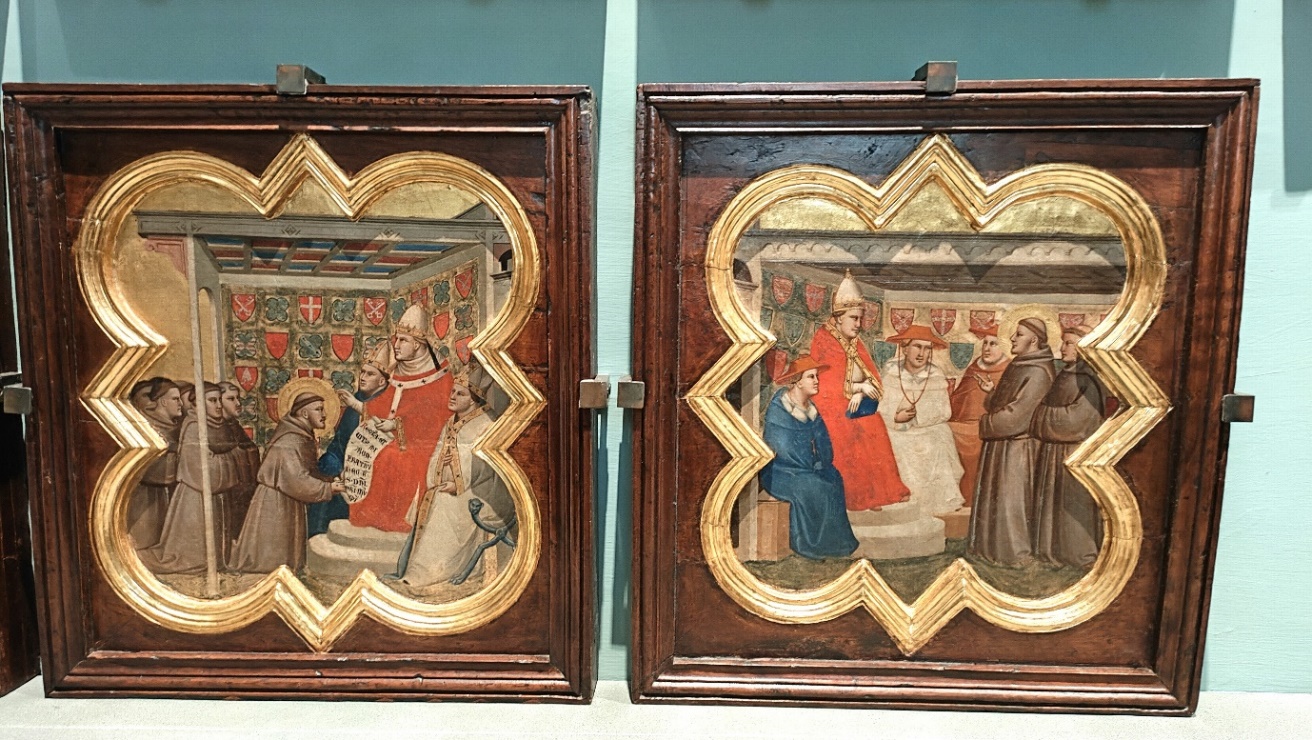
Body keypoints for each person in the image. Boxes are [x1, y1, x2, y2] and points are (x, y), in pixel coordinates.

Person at [398, 369, 515, 590]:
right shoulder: (451, 422)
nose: (452, 397)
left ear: (473, 400)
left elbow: (489, 466)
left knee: (444, 504)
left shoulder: (487, 423)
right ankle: (420, 569)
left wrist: (458, 481)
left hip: (485, 491)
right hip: (459, 486)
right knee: (433, 495)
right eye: (452, 392)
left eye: (460, 394)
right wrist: (440, 471)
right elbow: (437, 452)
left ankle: (429, 573)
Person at [807, 271, 910, 511]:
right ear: (838, 318)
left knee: (874, 424)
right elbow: (826, 383)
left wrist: (861, 392)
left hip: (851, 404)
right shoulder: (824, 340)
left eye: (860, 319)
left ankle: (876, 493)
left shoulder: (854, 341)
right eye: (854, 318)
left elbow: (872, 378)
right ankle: (857, 496)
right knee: (851, 431)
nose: (858, 324)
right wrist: (858, 387)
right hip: (829, 408)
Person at [349, 303, 453, 533]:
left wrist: (396, 425)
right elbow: (385, 403)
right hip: (398, 440)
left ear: (417, 344)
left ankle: (395, 518)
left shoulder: (439, 375)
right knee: (379, 454)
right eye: (396, 339)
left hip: (427, 446)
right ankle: (373, 515)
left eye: (403, 340)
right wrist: (361, 408)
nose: (396, 345)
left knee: (394, 459)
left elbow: (435, 419)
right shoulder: (399, 369)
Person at [967, 318, 1056, 566]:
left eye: (1019, 334)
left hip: (1018, 447)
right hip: (1002, 444)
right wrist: (991, 393)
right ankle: (990, 551)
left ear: (1034, 340)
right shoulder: (1020, 365)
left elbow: (1018, 416)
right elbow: (1004, 405)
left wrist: (985, 423)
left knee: (1011, 502)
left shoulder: (1038, 371)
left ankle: (1015, 555)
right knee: (997, 499)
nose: (1013, 338)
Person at [758, 355, 859, 560]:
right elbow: (783, 449)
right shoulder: (779, 409)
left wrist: (822, 462)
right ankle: (812, 545)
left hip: (807, 468)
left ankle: (836, 544)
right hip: (781, 471)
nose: (816, 381)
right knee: (816, 487)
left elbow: (824, 444)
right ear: (798, 381)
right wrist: (811, 466)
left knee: (834, 479)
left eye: (816, 376)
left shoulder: (811, 409)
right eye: (811, 376)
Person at [230, 393, 343, 574]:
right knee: (273, 561)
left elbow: (307, 471)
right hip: (276, 503)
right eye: (318, 409)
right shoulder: (290, 440)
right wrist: (327, 488)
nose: (324, 414)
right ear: (304, 414)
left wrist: (329, 480)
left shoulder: (301, 435)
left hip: (286, 497)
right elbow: (296, 479)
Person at [145, 382, 249, 574]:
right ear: (198, 403)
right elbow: (199, 466)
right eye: (212, 400)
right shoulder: (194, 427)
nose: (218, 405)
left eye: (219, 400)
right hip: (196, 495)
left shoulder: (220, 426)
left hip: (218, 494)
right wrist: (230, 459)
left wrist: (230, 457)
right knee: (193, 555)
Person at [1031, 325, 1109, 568]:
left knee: (1073, 504)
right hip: (1054, 451)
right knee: (1053, 502)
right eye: (1063, 342)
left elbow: (1080, 420)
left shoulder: (1089, 379)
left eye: (1069, 343)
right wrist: (1043, 414)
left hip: (1074, 452)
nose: (1062, 348)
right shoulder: (1064, 375)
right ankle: (1051, 553)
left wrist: (1043, 416)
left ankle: (1079, 555)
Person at [879, 325, 965, 516]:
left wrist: (919, 415)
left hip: (927, 429)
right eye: (917, 346)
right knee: (888, 440)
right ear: (905, 348)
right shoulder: (891, 372)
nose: (922, 353)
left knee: (940, 436)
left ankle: (934, 504)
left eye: (927, 349)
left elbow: (945, 411)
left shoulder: (936, 375)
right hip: (896, 429)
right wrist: (895, 417)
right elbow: (880, 406)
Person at [309, 341, 392, 538]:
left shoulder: (388, 404)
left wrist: (353, 468)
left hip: (371, 469)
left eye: (370, 374)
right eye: (362, 372)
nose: (362, 377)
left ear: (382, 382)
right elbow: (339, 442)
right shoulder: (357, 399)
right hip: (343, 465)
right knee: (324, 470)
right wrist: (335, 465)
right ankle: (316, 532)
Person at [948, 327, 1011, 506]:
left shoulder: (1009, 372)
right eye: (985, 343)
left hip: (989, 427)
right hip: (963, 426)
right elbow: (958, 400)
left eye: (994, 344)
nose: (987, 348)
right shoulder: (974, 369)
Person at [127, 377, 184, 550]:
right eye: (175, 399)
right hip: (146, 496)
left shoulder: (179, 427)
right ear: (163, 402)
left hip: (169, 492)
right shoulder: (145, 426)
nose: (181, 403)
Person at [217, 381, 261, 542]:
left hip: (244, 491)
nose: (237, 403)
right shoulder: (216, 429)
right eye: (231, 399)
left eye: (238, 398)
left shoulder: (233, 425)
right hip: (229, 493)